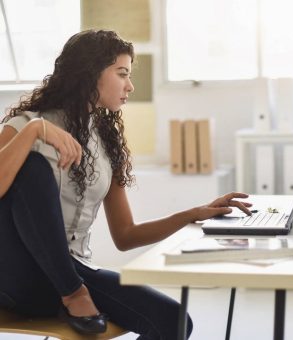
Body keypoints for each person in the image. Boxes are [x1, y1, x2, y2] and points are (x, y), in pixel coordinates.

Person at [0, 29, 252, 339]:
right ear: (90, 73)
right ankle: (72, 293)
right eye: (122, 74)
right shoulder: (26, 125)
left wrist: (193, 213)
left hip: (72, 271)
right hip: (15, 274)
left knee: (173, 322)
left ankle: (72, 288)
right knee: (33, 168)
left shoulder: (107, 142)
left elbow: (126, 235)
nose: (129, 86)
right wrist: (35, 131)